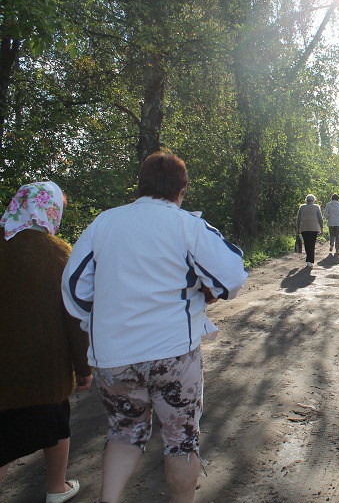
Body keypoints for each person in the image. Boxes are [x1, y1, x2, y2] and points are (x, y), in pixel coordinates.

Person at [61, 151, 248, 503]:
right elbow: (232, 276)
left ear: (141, 185)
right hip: (173, 352)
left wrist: (103, 316)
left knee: (123, 433)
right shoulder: (187, 225)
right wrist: (202, 290)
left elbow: (74, 288)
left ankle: (109, 500)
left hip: (113, 354)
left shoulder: (104, 223)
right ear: (182, 190)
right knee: (181, 439)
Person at [0, 181, 92, 503]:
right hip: (46, 371)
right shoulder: (59, 253)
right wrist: (84, 368)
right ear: (49, 210)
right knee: (56, 427)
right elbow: (75, 318)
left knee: (3, 440)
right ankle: (57, 487)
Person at [298, 194, 324, 267]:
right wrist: (322, 228)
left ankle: (308, 259)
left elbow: (298, 219)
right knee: (312, 244)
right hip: (314, 228)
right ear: (313, 200)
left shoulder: (302, 207)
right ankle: (310, 260)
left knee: (306, 243)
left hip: (304, 228)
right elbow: (320, 218)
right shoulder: (316, 207)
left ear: (306, 200)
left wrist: (298, 228)